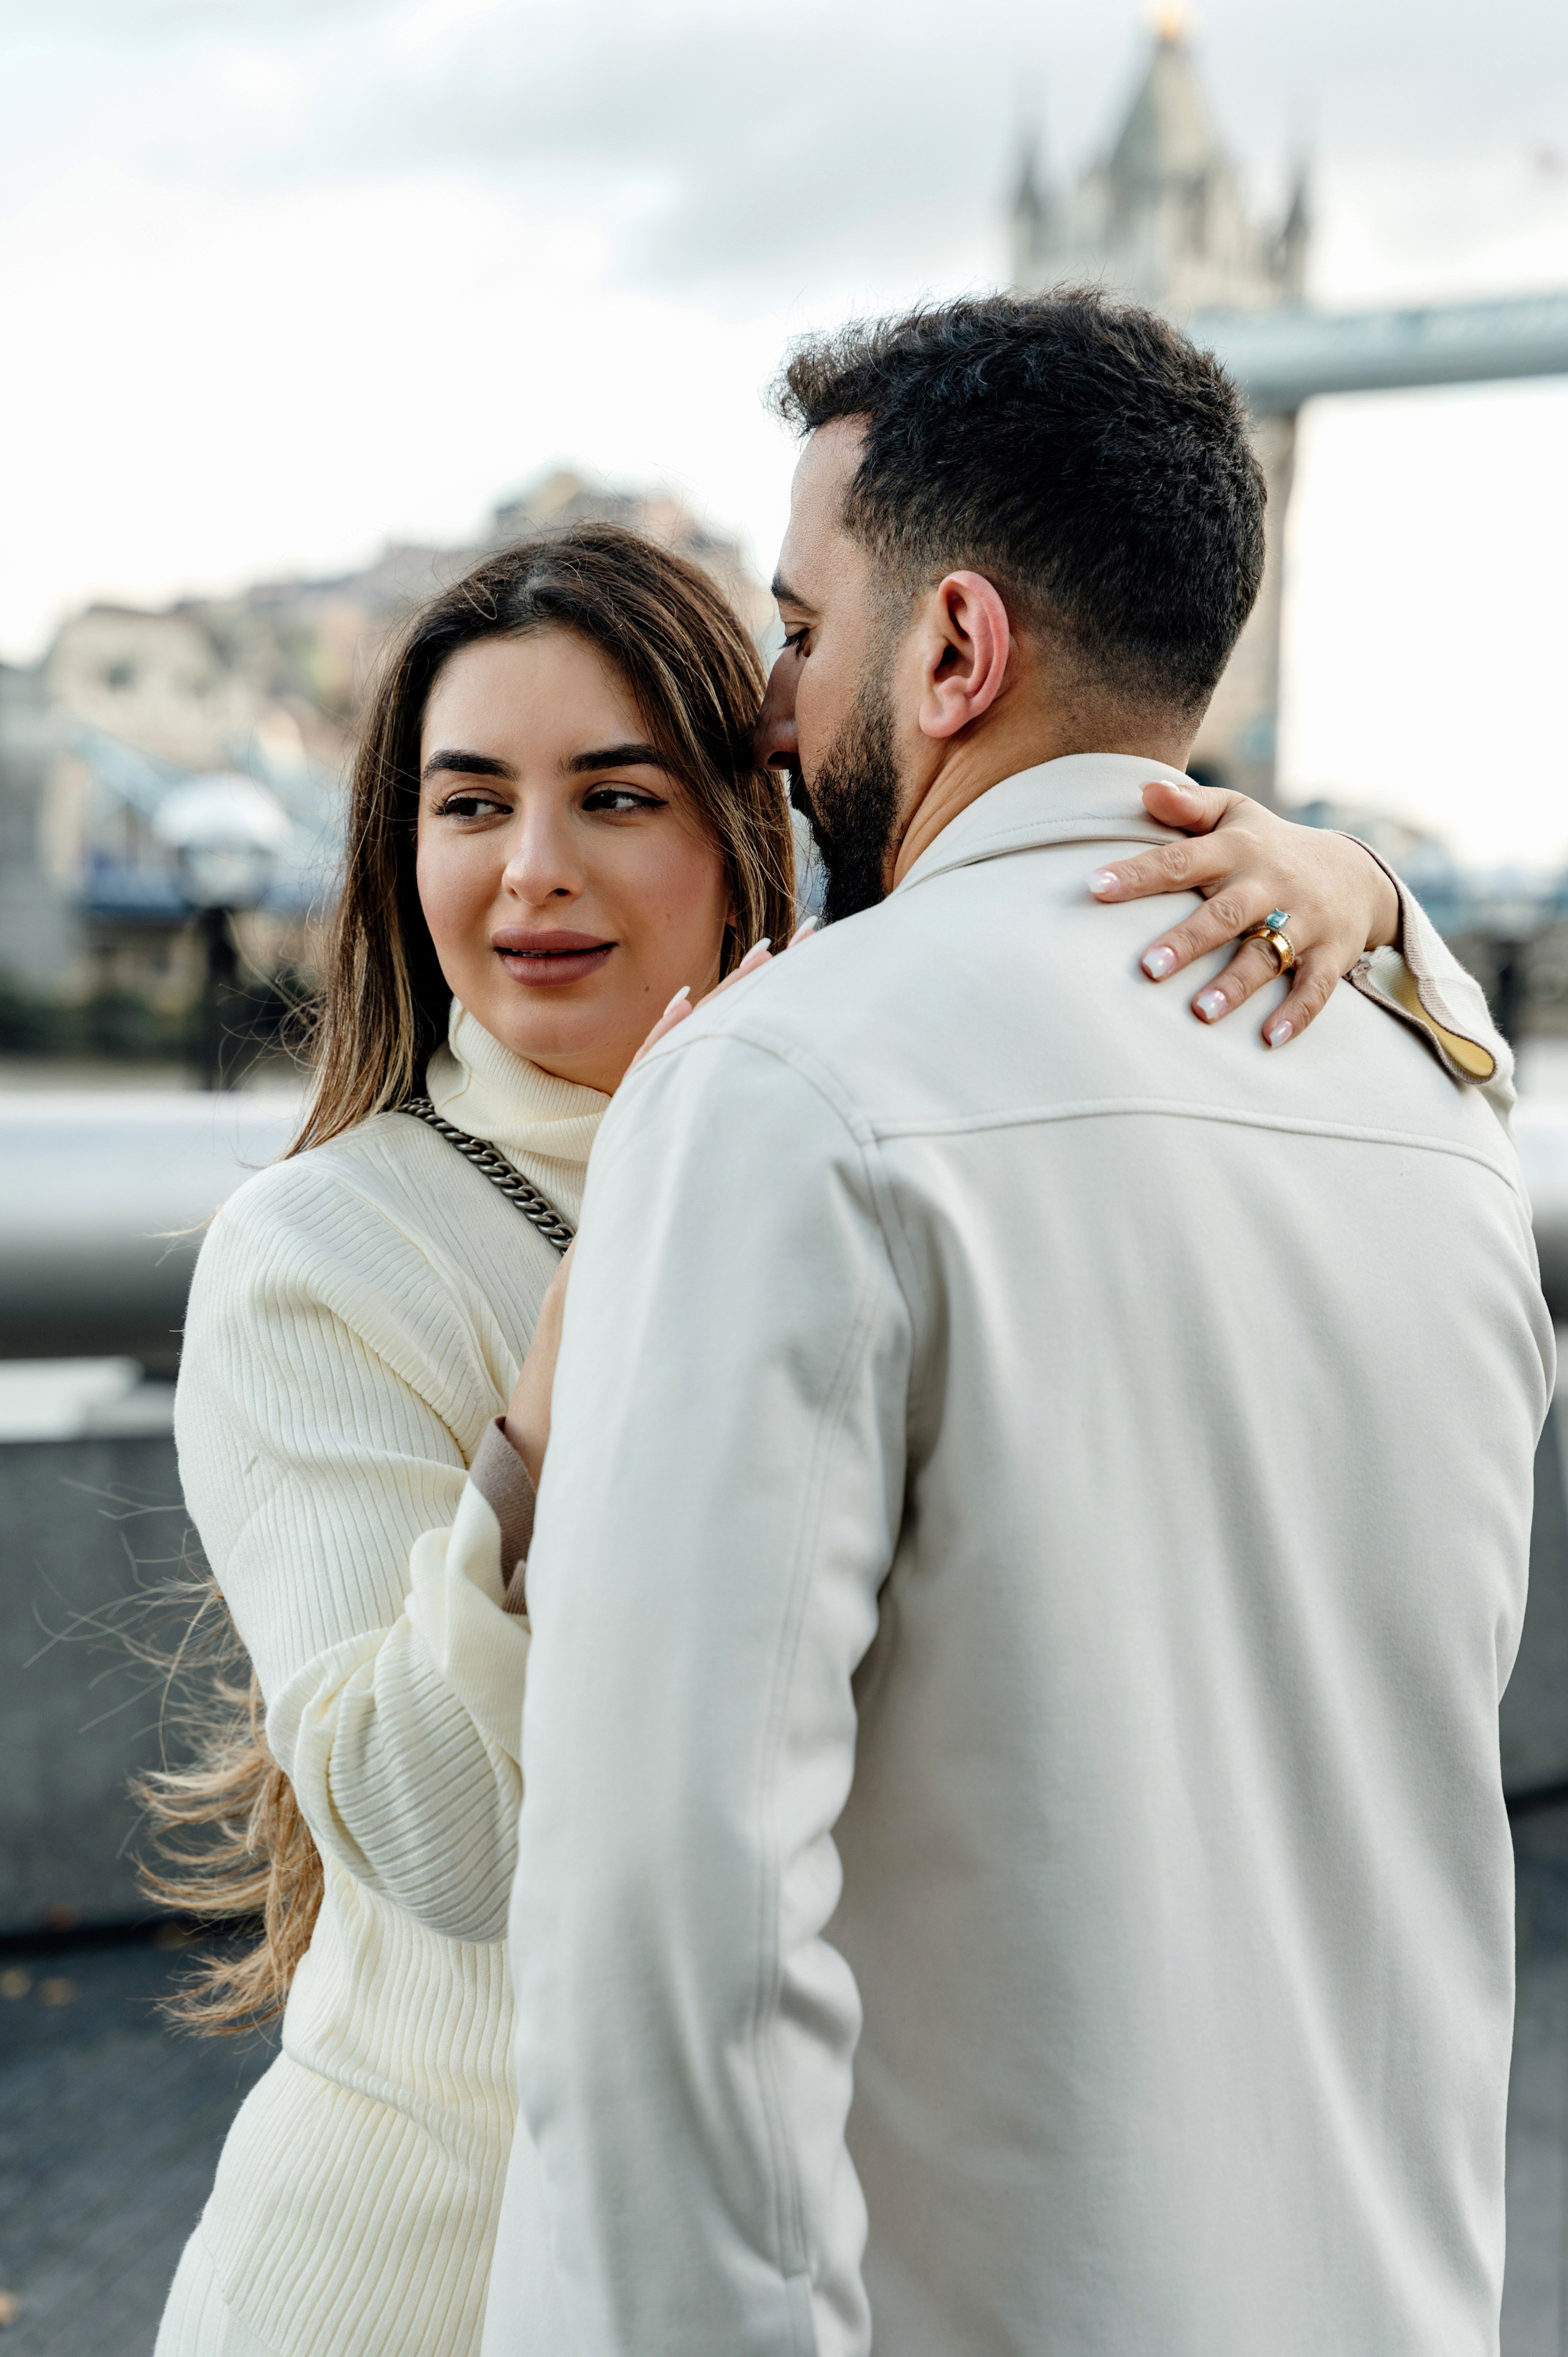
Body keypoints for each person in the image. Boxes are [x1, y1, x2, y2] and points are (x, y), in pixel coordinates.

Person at [482, 296, 1551, 2357]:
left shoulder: (789, 1086)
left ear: (955, 650)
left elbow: (664, 1937)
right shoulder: (1434, 1094)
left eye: (804, 628)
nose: (777, 710)